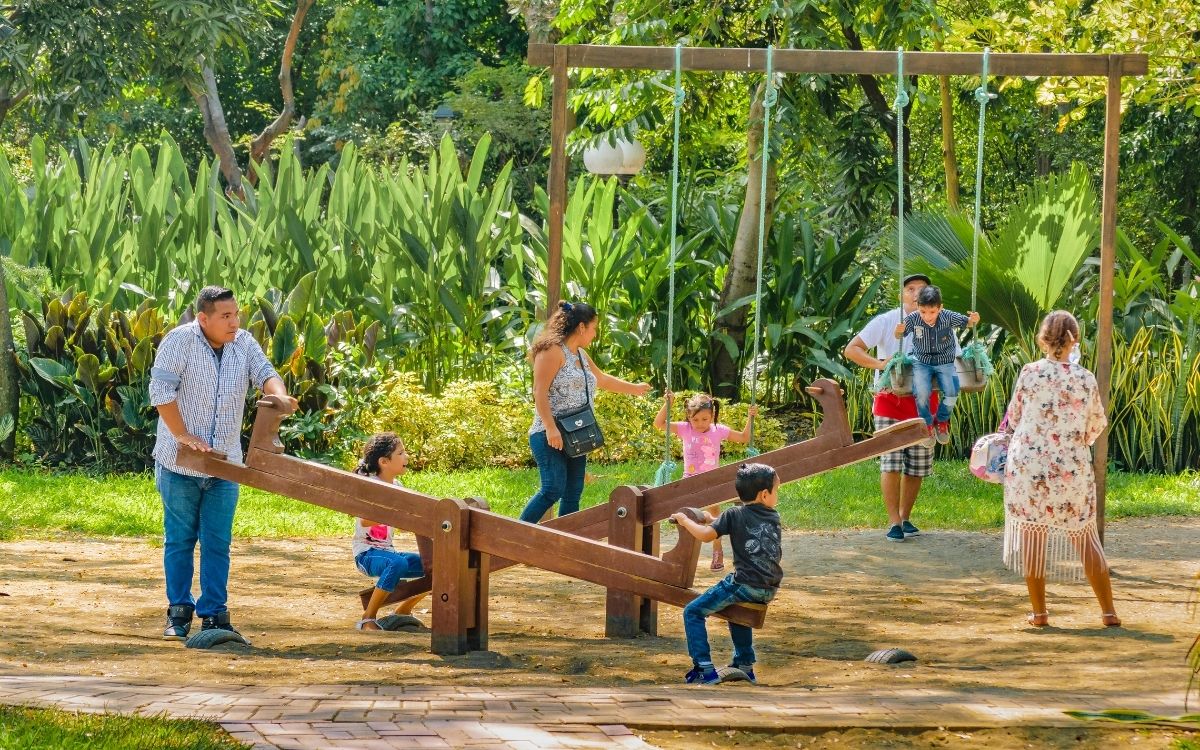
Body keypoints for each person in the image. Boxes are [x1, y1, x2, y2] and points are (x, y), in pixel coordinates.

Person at [150, 285, 297, 641]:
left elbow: (265, 373)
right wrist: (183, 435)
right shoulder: (178, 341)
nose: (234, 322)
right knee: (180, 540)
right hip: (179, 463)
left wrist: (279, 398)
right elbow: (160, 393)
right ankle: (179, 613)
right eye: (226, 316)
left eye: (237, 314)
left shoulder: (243, 343)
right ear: (204, 318)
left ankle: (214, 614)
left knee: (217, 542)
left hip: (225, 463)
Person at [1001, 311, 1120, 628]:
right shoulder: (1085, 378)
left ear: (1043, 339)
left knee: (1033, 536)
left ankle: (1040, 614)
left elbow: (1014, 417)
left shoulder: (1029, 373)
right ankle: (1108, 612)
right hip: (1071, 467)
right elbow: (1095, 425)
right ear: (1074, 340)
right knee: (1085, 537)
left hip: (1030, 466)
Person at [518, 301, 652, 524]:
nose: (595, 334)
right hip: (548, 433)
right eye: (594, 328)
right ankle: (514, 537)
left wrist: (635, 389)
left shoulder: (579, 354)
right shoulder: (552, 351)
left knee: (573, 492)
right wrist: (551, 428)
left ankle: (566, 544)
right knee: (552, 489)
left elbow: (602, 379)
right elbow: (538, 392)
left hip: (577, 433)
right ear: (582, 327)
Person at [844, 273, 954, 543]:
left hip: (924, 402)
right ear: (902, 295)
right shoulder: (886, 321)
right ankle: (893, 521)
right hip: (889, 400)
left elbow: (957, 356)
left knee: (917, 465)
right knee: (891, 462)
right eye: (911, 289)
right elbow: (852, 349)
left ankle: (905, 517)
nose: (916, 294)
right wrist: (882, 364)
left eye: (922, 289)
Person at [671, 463, 782, 686]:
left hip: (745, 583)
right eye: (776, 490)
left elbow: (704, 536)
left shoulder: (734, 514)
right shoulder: (773, 515)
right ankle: (744, 664)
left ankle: (703, 668)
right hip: (768, 587)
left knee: (693, 611)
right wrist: (711, 519)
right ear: (764, 495)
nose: (777, 495)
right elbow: (734, 522)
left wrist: (685, 520)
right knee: (736, 609)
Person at [654, 391, 758, 570]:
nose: (700, 424)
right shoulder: (684, 428)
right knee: (686, 514)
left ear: (712, 416)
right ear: (688, 417)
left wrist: (751, 417)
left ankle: (717, 551)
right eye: (695, 420)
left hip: (712, 480)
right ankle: (683, 554)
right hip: (690, 480)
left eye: (705, 419)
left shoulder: (718, 430)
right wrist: (668, 404)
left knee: (714, 516)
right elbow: (659, 424)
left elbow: (743, 438)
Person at [352, 432, 428, 631]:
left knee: (438, 566)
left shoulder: (397, 486)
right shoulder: (370, 484)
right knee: (397, 563)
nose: (407, 457)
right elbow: (366, 519)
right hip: (366, 555)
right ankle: (368, 618)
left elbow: (403, 523)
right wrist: (397, 515)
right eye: (401, 453)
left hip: (389, 552)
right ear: (384, 461)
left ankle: (404, 610)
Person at [893, 285, 980, 445]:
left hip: (945, 361)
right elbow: (899, 335)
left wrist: (973, 320)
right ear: (918, 307)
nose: (927, 316)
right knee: (921, 394)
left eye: (932, 312)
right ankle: (927, 423)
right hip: (921, 362)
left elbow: (967, 323)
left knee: (952, 392)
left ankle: (941, 421)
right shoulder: (912, 319)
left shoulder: (947, 316)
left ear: (940, 308)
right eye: (923, 312)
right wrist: (898, 331)